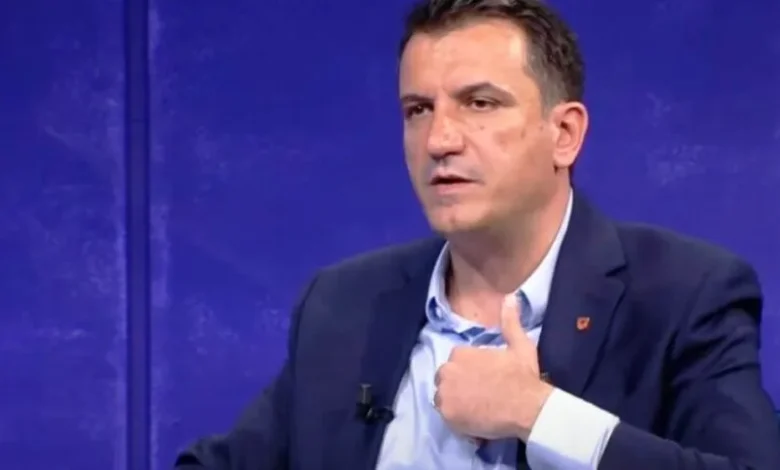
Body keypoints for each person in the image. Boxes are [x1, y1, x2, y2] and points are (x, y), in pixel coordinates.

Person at [174, 0, 780, 469]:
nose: (440, 140)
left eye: (480, 103)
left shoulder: (682, 295)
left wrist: (540, 415)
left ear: (564, 134)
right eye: (418, 110)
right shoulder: (344, 305)